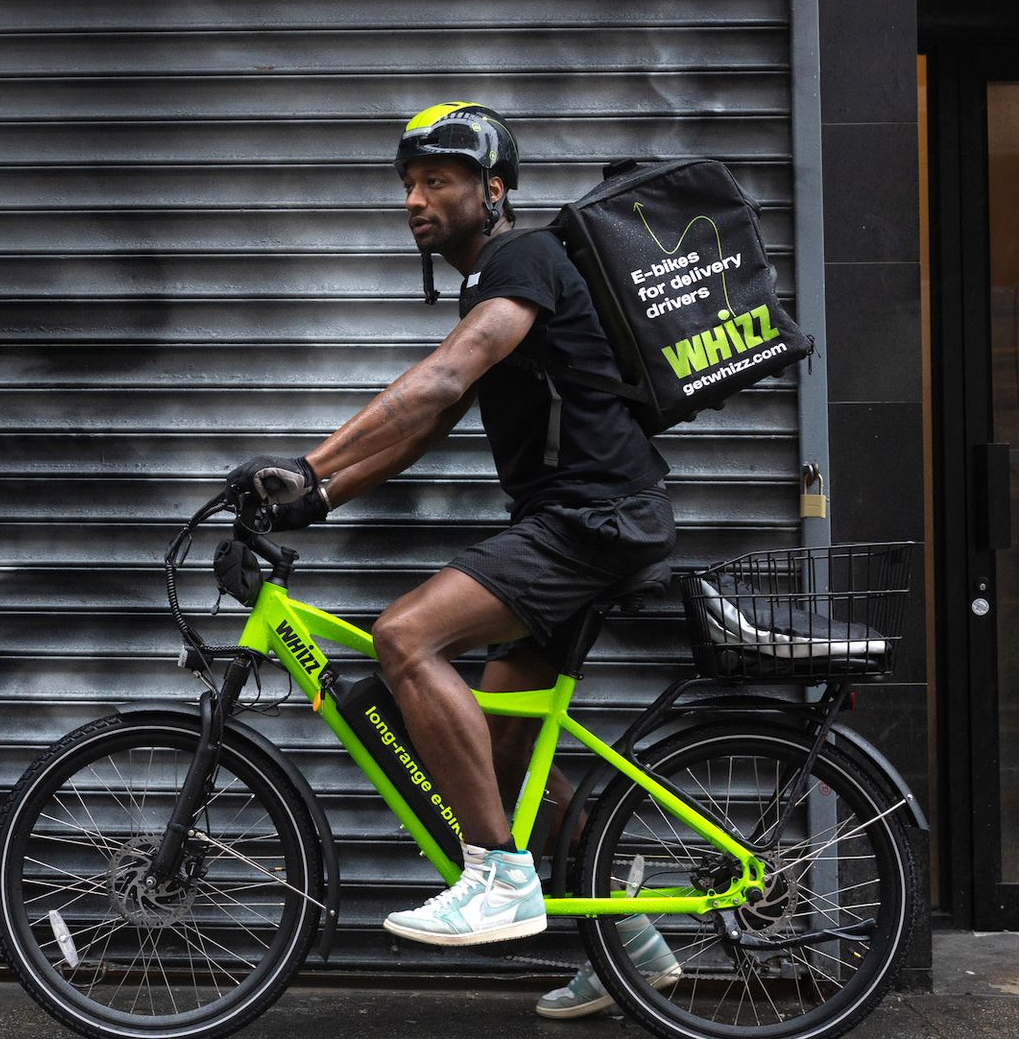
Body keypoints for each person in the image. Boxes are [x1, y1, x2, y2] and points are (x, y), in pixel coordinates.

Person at [223, 102, 679, 1018]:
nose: (416, 199)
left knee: (405, 637)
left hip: (593, 520)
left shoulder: (523, 260)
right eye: (408, 185)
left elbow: (437, 379)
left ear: (493, 190)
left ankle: (501, 880)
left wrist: (308, 463)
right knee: (507, 764)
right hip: (585, 519)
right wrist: (316, 498)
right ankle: (634, 947)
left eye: (438, 180)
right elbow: (427, 425)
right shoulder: (497, 281)